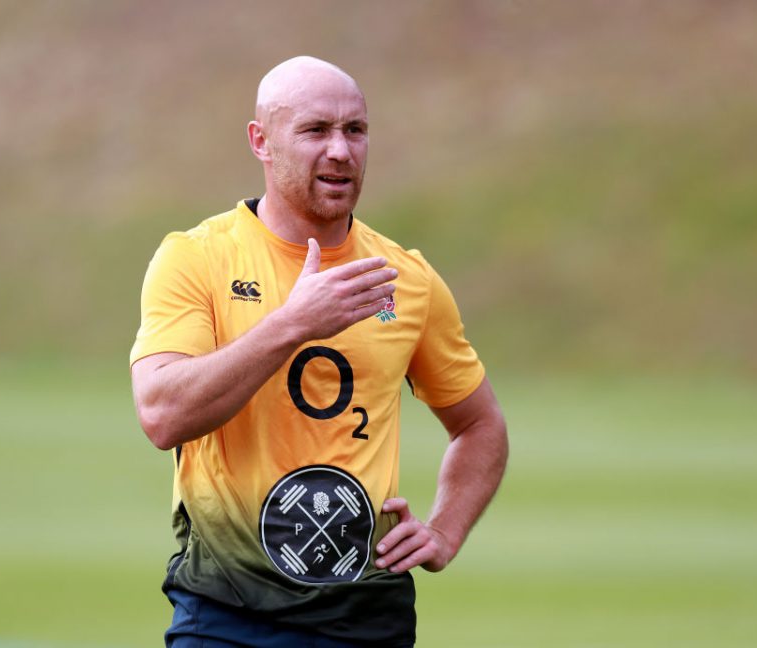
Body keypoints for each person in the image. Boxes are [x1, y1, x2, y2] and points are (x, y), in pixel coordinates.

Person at [130, 56, 508, 648]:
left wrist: (444, 530)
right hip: (229, 616)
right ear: (261, 141)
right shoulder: (197, 258)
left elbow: (480, 423)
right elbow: (161, 414)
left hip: (367, 620)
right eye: (315, 131)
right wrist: (292, 324)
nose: (341, 151)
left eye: (355, 130)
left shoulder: (404, 278)